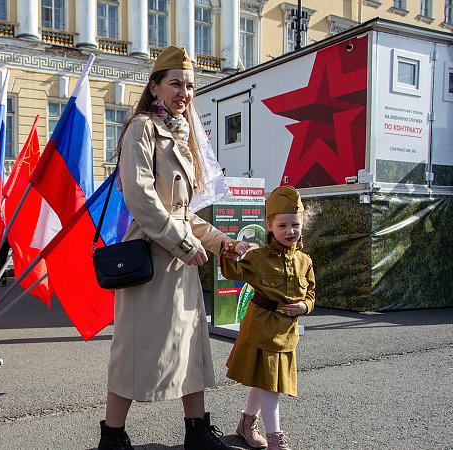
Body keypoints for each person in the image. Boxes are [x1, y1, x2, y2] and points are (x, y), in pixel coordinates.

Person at [99, 46, 244, 450]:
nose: (185, 92)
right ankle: (112, 437)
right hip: (150, 259)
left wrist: (221, 242)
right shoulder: (142, 129)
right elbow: (141, 199)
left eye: (191, 86)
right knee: (135, 350)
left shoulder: (183, 135)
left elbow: (184, 211)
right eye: (176, 83)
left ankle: (197, 431)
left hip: (179, 261)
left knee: (191, 347)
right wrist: (184, 244)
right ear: (155, 86)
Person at [220, 186, 317, 450]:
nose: (290, 231)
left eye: (295, 224)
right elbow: (231, 271)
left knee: (265, 381)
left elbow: (311, 294)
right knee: (270, 385)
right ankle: (276, 438)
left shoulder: (305, 261)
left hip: (286, 334)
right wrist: (231, 248)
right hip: (260, 331)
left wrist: (305, 307)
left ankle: (246, 423)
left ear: (302, 225)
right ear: (269, 226)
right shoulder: (258, 257)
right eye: (282, 225)